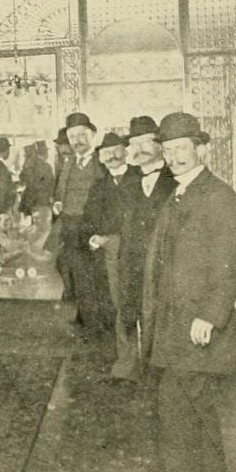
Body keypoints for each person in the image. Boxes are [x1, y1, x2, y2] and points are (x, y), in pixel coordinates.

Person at [142, 112, 236, 472]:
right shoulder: (179, 193)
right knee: (196, 404)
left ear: (200, 148)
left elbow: (229, 265)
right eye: (168, 150)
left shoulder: (217, 196)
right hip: (175, 321)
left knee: (176, 404)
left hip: (196, 323)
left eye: (182, 148)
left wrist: (210, 315)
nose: (175, 157)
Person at [111, 116, 177, 381]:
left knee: (160, 314)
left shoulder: (176, 180)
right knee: (128, 312)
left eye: (144, 142)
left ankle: (160, 371)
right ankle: (128, 368)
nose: (137, 149)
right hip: (131, 260)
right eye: (133, 143)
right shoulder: (128, 181)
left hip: (164, 261)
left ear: (160, 145)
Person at [53, 111, 107, 340]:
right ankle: (85, 317)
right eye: (72, 136)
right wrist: (58, 202)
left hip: (93, 227)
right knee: (77, 275)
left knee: (97, 275)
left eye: (82, 135)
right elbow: (61, 189)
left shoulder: (101, 160)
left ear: (92, 134)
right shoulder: (69, 162)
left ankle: (100, 323)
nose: (77, 140)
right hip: (70, 227)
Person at [79, 132, 131, 349]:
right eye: (106, 153)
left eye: (116, 150)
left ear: (126, 152)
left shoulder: (139, 178)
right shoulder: (98, 186)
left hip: (133, 252)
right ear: (100, 157)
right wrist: (91, 239)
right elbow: (88, 220)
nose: (111, 156)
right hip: (107, 255)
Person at [18, 141, 55, 219]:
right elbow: (52, 185)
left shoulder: (29, 165)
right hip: (42, 202)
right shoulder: (47, 167)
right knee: (42, 226)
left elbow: (22, 177)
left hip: (29, 202)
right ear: (45, 153)